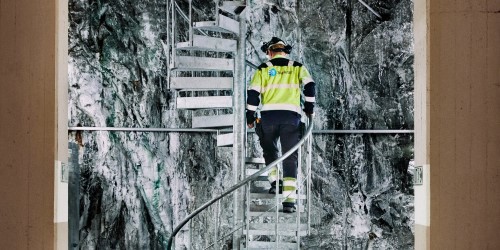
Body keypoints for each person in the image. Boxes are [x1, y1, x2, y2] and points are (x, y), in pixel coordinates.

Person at [246, 37, 316, 213]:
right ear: (285, 51)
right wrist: (309, 108)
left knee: (270, 151)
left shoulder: (264, 69)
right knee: (290, 156)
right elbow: (310, 86)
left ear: (269, 52)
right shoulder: (297, 67)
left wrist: (250, 116)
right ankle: (289, 201)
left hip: (268, 117)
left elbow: (253, 94)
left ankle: (276, 182)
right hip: (291, 118)